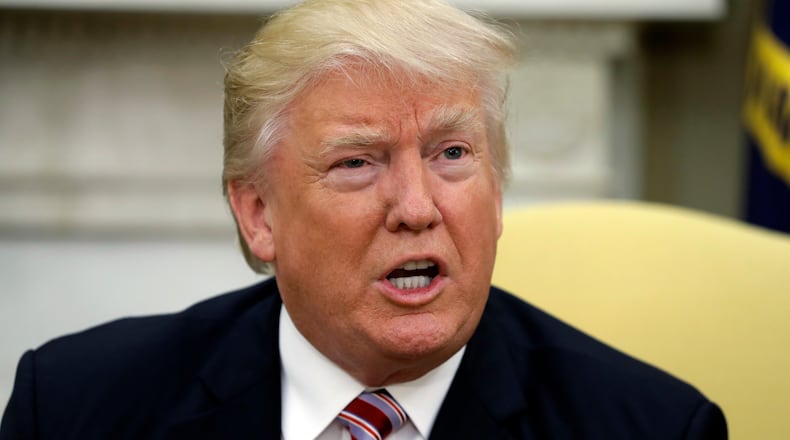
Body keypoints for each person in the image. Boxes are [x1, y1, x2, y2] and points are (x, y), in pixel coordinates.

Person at [1, 0, 727, 438]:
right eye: (357, 162)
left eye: (451, 154)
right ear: (258, 214)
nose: (417, 208)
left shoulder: (653, 427)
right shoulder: (75, 408)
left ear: (497, 193)